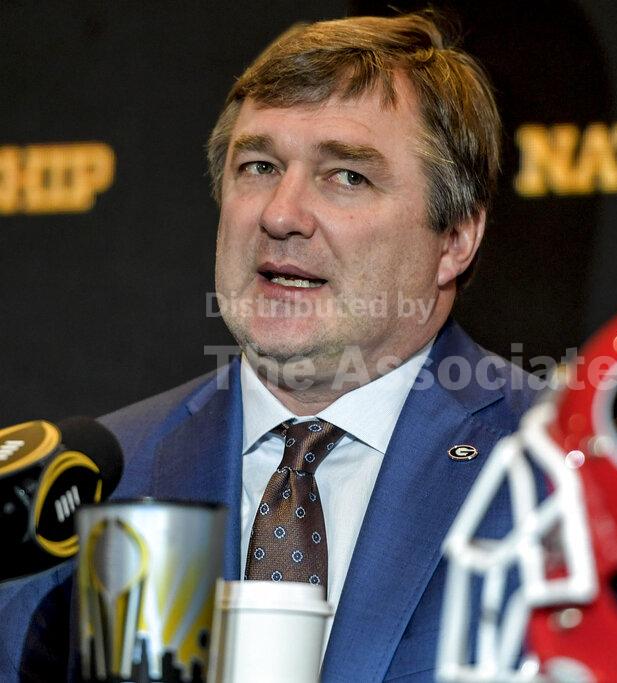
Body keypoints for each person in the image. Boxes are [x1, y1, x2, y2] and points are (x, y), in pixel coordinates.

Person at [0, 11, 535, 681]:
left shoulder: (563, 470)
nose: (280, 214)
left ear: (454, 238)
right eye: (258, 166)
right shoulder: (84, 493)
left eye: (347, 176)